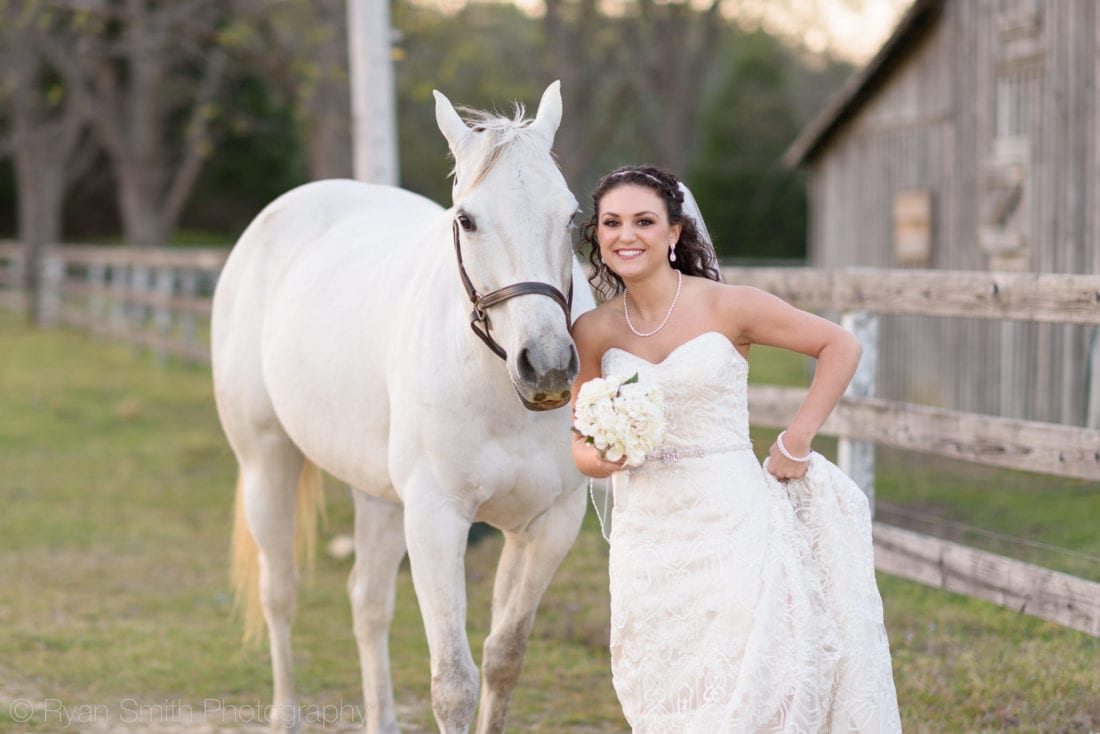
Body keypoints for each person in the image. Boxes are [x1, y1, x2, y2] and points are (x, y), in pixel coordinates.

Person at [570, 165, 901, 733]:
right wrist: (603, 458)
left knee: (752, 677)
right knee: (664, 681)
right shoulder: (593, 330)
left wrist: (796, 442)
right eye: (612, 223)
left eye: (644, 221)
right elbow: (580, 445)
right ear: (598, 235)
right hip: (647, 532)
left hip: (732, 518)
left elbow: (838, 344)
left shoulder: (730, 306)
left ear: (674, 232)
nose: (627, 235)